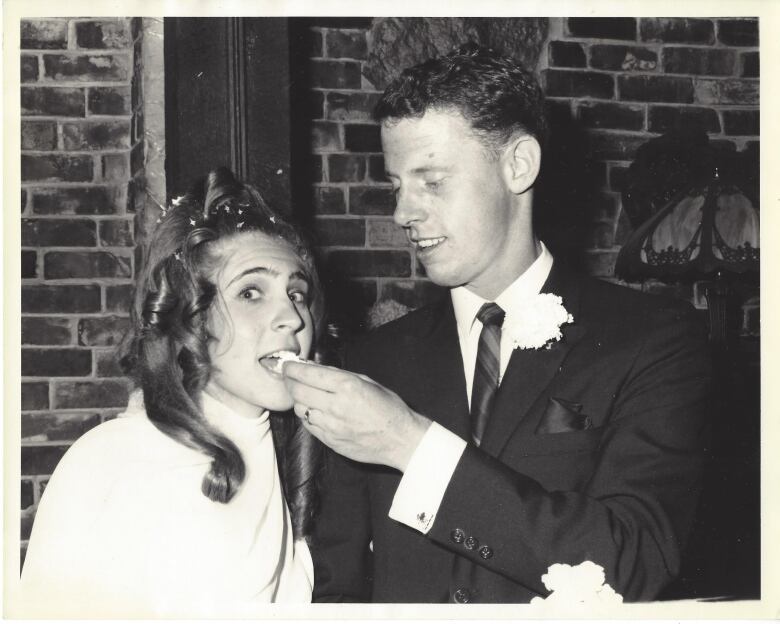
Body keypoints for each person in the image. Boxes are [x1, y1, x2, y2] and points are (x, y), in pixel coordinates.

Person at [282, 44, 711, 603]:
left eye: (431, 181)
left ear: (518, 165)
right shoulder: (373, 361)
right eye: (396, 185)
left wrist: (411, 445)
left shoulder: (652, 340)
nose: (402, 213)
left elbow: (633, 560)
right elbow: (338, 590)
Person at [19, 168, 325, 616]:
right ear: (192, 318)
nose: (292, 318)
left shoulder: (283, 460)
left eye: (296, 293)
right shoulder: (113, 460)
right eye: (251, 292)